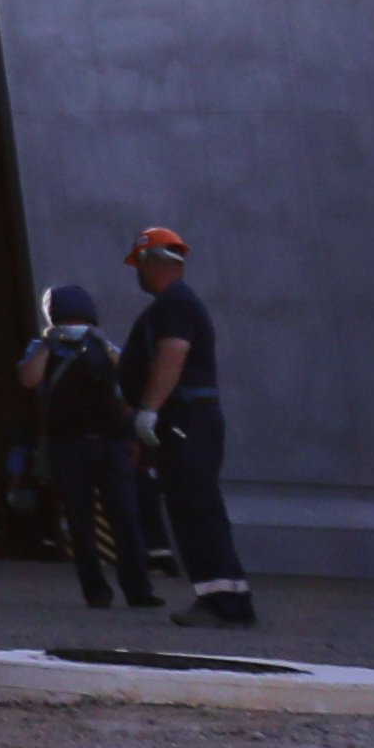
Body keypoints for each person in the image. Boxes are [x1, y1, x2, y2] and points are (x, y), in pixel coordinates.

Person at [119, 224, 255, 631]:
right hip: (189, 418)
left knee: (194, 508)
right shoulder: (179, 302)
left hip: (184, 418)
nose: (137, 274)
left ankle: (221, 604)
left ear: (149, 261)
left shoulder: (173, 305)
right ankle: (228, 598)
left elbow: (171, 355)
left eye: (138, 264)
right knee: (200, 507)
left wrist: (148, 410)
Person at [20, 283, 141, 609]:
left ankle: (138, 588)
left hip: (110, 442)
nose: (73, 325)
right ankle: (96, 590)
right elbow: (28, 378)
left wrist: (100, 343)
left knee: (126, 516)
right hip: (68, 444)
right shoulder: (43, 346)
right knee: (79, 521)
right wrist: (49, 343)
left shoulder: (102, 345)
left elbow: (129, 380)